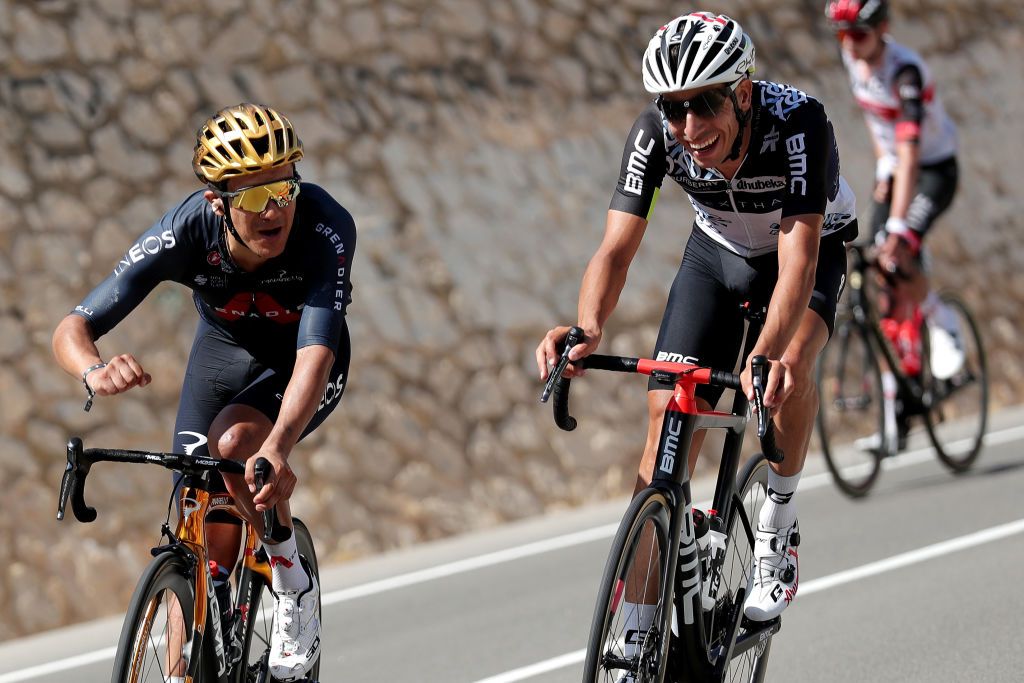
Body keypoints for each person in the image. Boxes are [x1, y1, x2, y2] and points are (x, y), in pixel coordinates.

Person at [536, 11, 858, 631]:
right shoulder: (654, 134)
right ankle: (635, 624)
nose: (688, 127)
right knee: (664, 420)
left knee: (787, 369)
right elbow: (616, 249)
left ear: (741, 92)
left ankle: (778, 532)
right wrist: (587, 328)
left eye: (704, 104)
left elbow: (798, 258)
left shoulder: (799, 124)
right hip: (716, 257)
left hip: (805, 256)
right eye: (672, 107)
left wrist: (764, 356)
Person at [52, 103, 356, 682]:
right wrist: (93, 369)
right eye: (251, 198)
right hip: (221, 356)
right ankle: (183, 664)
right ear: (218, 202)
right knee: (200, 528)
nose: (274, 210)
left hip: (304, 362)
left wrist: (279, 447)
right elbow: (72, 328)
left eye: (283, 188)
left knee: (239, 442)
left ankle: (293, 581)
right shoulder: (184, 230)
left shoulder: (323, 225)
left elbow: (316, 351)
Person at [826, 0, 964, 399]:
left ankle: (942, 322)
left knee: (895, 250)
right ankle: (899, 393)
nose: (849, 44)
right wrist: (882, 165)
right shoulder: (854, 58)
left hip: (933, 170)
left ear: (882, 29)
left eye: (858, 34)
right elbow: (874, 119)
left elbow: (910, 154)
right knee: (877, 268)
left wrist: (900, 226)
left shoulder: (906, 74)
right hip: (897, 168)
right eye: (842, 34)